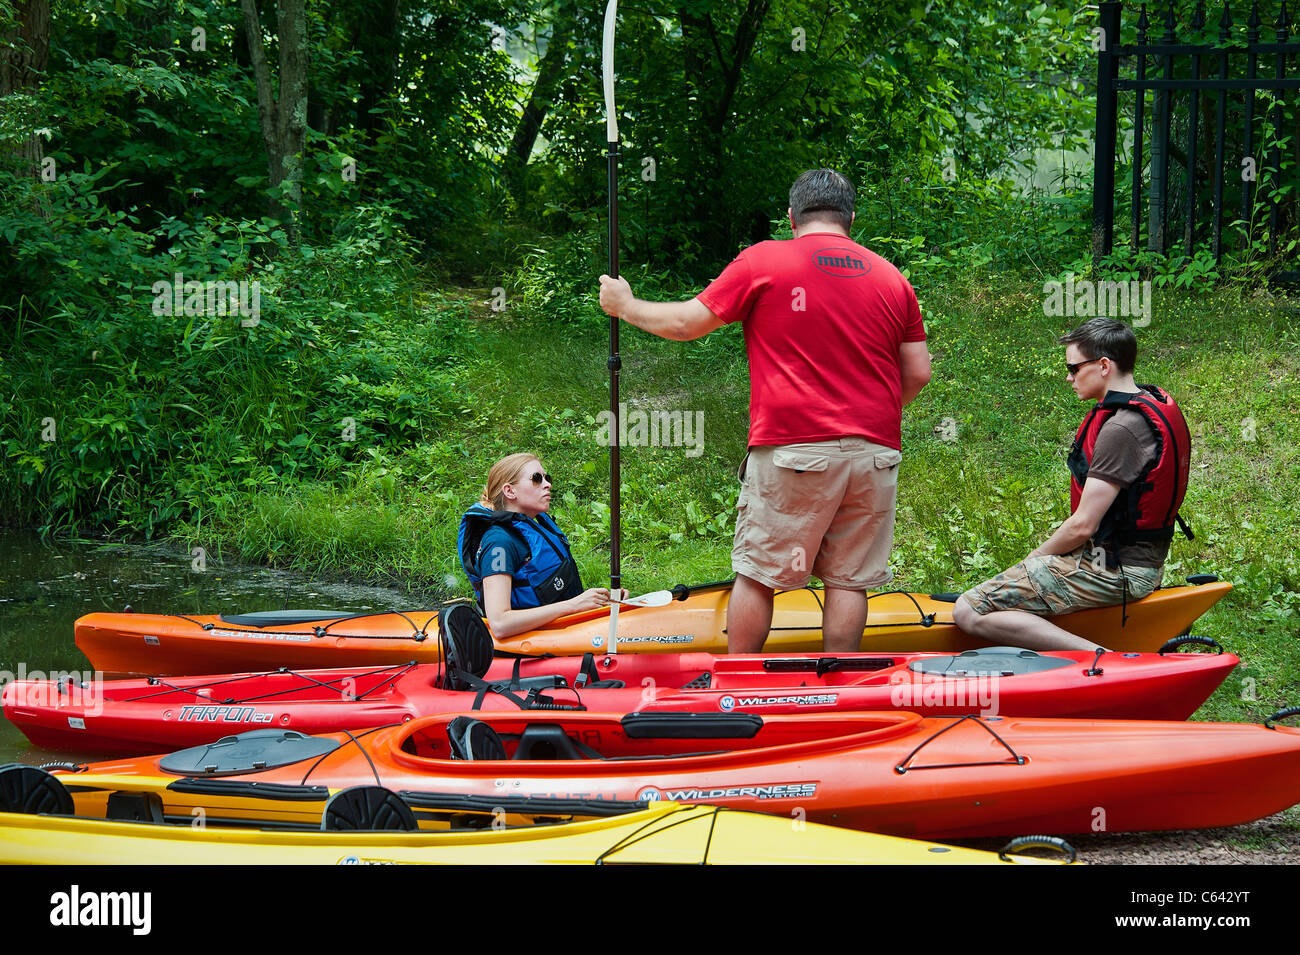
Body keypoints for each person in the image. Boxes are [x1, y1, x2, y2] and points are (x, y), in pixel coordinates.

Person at [598, 168, 931, 653]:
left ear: (792, 216)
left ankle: (739, 683)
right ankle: (838, 686)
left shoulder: (766, 260)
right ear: (850, 218)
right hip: (874, 454)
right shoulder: (891, 277)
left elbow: (688, 324)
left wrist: (626, 306)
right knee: (848, 581)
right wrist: (871, 416)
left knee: (758, 574)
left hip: (794, 449)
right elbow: (918, 371)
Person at [952, 317, 1192, 651]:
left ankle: (1104, 660)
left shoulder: (1121, 429)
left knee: (968, 610)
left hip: (1116, 572)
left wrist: (1028, 563)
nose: (1069, 377)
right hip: (1128, 560)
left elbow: (1082, 526)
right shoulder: (1147, 403)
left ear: (1104, 365)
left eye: (1074, 368)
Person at [457, 453, 625, 639]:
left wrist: (598, 602)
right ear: (510, 491)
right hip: (531, 647)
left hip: (562, 629)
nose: (547, 484)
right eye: (537, 479)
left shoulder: (536, 525)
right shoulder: (499, 543)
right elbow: (500, 623)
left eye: (547, 477)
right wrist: (574, 605)